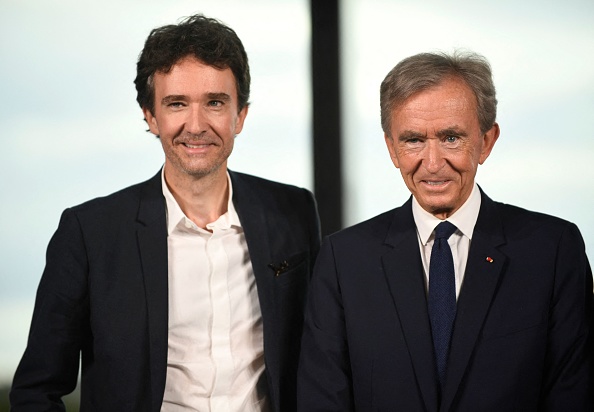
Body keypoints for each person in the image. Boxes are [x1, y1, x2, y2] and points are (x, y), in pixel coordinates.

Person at [10, 14, 321, 411]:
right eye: (177, 104)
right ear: (151, 116)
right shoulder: (90, 234)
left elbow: (320, 361)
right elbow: (36, 391)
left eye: (214, 102)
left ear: (239, 115)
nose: (196, 125)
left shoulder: (292, 213)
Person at [297, 51, 592, 411]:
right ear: (392, 148)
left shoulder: (553, 251)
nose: (433, 164)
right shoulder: (344, 261)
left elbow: (573, 396)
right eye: (413, 140)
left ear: (486, 141)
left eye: (451, 138)